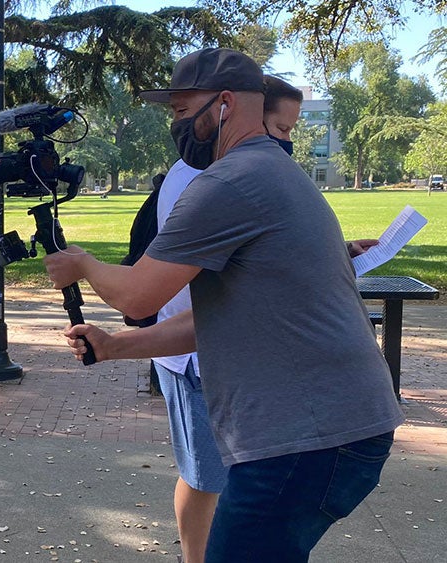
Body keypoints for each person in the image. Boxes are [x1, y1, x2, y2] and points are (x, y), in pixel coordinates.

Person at [45, 48, 404, 562]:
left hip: (308, 439)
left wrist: (82, 264)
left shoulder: (229, 182)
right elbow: (216, 318)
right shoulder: (272, 171)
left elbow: (138, 294)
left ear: (225, 104)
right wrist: (113, 346)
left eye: (181, 111)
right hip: (335, 428)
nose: (176, 125)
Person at [145, 73, 379, 563]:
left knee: (231, 497)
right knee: (206, 478)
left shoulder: (252, 173)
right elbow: (150, 292)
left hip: (260, 380)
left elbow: (262, 257)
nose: (286, 142)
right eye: (282, 128)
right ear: (246, 114)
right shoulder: (215, 179)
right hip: (200, 358)